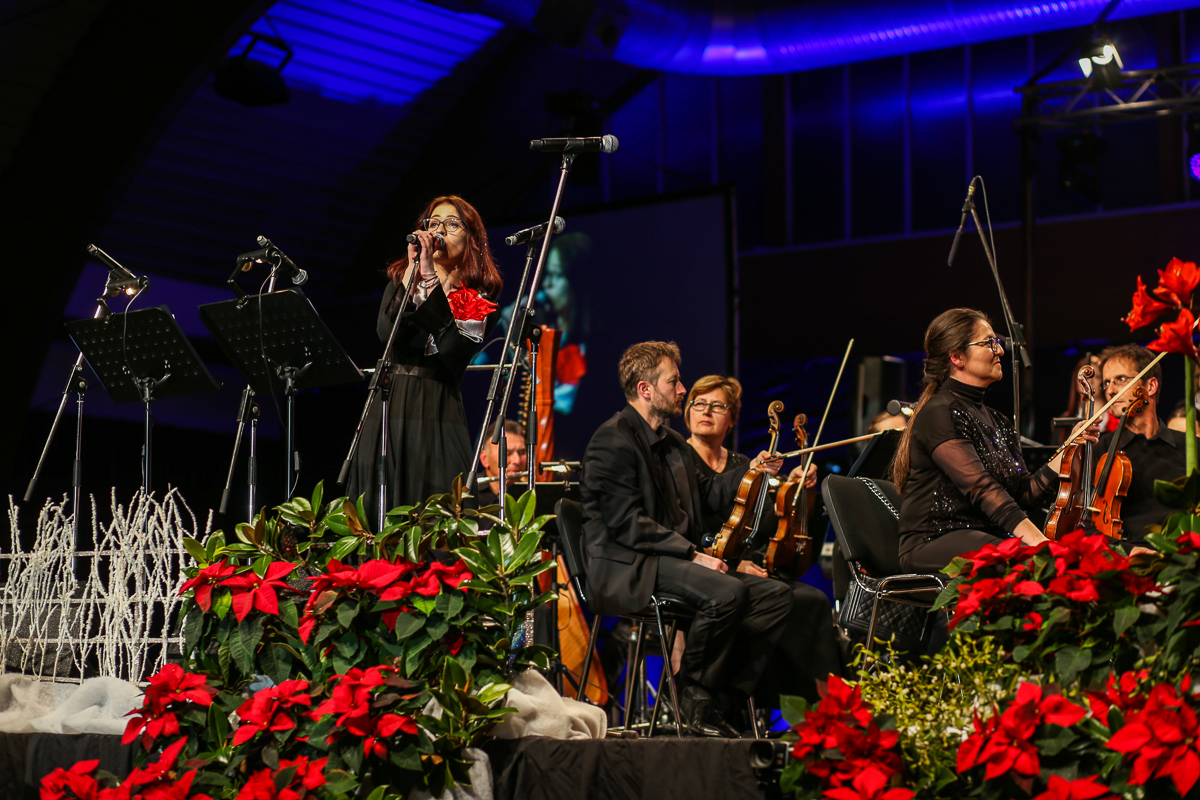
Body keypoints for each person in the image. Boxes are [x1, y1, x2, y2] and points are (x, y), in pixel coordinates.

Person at [579, 342, 791, 737]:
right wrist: (693, 554)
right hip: (629, 566)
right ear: (646, 390)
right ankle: (694, 691)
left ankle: (717, 696)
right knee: (726, 593)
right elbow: (626, 523)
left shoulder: (673, 443)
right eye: (674, 381)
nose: (682, 390)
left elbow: (709, 494)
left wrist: (755, 471)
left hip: (667, 561)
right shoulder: (612, 441)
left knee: (776, 597)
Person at [893, 308, 1095, 573]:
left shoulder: (999, 421)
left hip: (983, 536)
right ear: (957, 357)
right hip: (934, 541)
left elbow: (1022, 494)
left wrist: (1068, 451)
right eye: (989, 343)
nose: (1000, 351)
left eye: (997, 342)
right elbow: (983, 490)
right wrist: (1038, 542)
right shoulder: (938, 412)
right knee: (1032, 563)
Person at [683, 374, 843, 703]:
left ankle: (819, 709)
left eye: (717, 406)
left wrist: (795, 492)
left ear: (732, 417)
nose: (706, 412)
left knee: (813, 601)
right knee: (767, 600)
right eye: (698, 404)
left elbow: (765, 526)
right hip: (701, 564)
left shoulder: (743, 463)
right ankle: (735, 701)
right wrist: (733, 562)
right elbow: (685, 523)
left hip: (747, 564)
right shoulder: (678, 460)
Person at [348, 196, 503, 516]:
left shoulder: (477, 301)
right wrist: (415, 274)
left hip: (438, 412)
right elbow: (386, 332)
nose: (439, 231)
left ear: (472, 240)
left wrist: (431, 277)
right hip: (389, 410)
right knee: (379, 511)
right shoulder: (401, 281)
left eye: (451, 224)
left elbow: (450, 348)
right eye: (433, 223)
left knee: (439, 515)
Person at [1093, 344, 1187, 546]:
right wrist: (1126, 551)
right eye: (1107, 383)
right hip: (1123, 560)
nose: (1110, 390)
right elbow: (1085, 524)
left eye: (1120, 380)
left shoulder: (1190, 447)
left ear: (1150, 386)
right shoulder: (1100, 450)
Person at [475, 419, 528, 508]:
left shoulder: (529, 492)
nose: (517, 460)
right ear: (485, 459)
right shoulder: (469, 494)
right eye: (507, 453)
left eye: (522, 452)